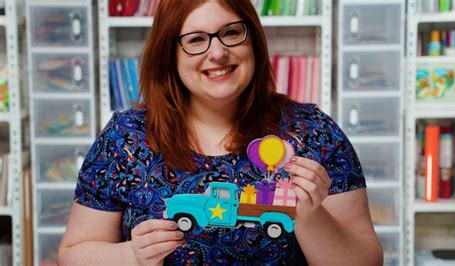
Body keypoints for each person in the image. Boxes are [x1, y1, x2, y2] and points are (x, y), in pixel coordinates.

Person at [58, 0, 383, 265]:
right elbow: (73, 254)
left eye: (231, 32)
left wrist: (311, 216)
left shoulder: (313, 131)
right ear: (169, 55)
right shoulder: (125, 137)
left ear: (253, 40)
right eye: (196, 39)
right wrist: (130, 255)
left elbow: (366, 261)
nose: (217, 52)